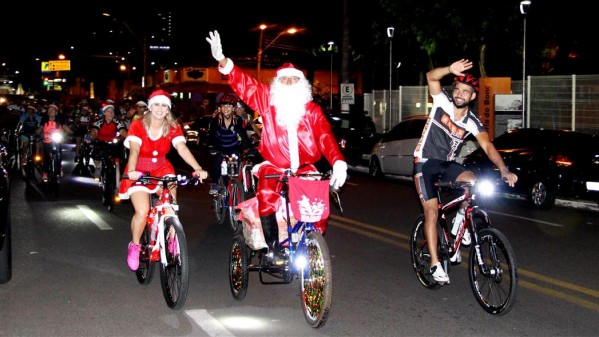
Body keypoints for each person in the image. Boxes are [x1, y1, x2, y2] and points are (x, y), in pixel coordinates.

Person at [206, 30, 348, 263]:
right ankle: (273, 248)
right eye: (285, 80)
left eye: (294, 80)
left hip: (304, 168)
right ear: (277, 84)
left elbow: (324, 136)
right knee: (265, 195)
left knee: (317, 202)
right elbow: (246, 85)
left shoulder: (311, 110)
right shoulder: (267, 100)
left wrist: (338, 161)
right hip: (274, 167)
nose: (290, 83)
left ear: (302, 84)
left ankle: (313, 243)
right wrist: (223, 61)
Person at [413, 59, 518, 284]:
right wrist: (449, 69)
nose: (460, 93)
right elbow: (431, 77)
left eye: (466, 91)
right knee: (431, 212)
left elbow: (488, 146)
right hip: (424, 163)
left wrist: (504, 170)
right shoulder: (442, 102)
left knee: (473, 182)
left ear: (472, 97)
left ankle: (461, 216)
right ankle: (434, 263)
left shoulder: (472, 121)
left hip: (446, 164)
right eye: (458, 89)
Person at [117, 89, 208, 271]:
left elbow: (181, 148)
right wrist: (133, 170)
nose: (160, 109)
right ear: (150, 107)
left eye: (164, 105)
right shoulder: (138, 125)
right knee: (142, 212)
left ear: (168, 109)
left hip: (162, 168)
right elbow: (134, 150)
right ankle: (135, 246)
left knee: (171, 207)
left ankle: (172, 240)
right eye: (156, 104)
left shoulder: (172, 126)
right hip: (140, 170)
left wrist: (197, 168)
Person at [207, 94, 253, 194]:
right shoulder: (216, 120)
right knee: (217, 160)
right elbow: (212, 136)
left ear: (233, 108)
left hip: (233, 147)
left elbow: (243, 135)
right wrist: (212, 147)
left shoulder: (237, 120)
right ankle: (215, 183)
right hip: (219, 146)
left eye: (228, 106)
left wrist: (250, 148)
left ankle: (235, 184)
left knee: (237, 162)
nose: (225, 109)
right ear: (220, 108)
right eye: (223, 106)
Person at [89, 104, 128, 181]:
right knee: (96, 153)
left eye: (112, 112)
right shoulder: (99, 121)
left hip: (112, 142)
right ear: (104, 113)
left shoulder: (117, 121)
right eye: (109, 112)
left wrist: (129, 137)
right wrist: (91, 137)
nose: (111, 113)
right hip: (100, 142)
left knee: (118, 160)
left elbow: (122, 131)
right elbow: (94, 131)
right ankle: (98, 167)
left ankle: (117, 185)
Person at [36, 104, 73, 182]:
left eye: (53, 110)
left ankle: (59, 168)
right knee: (46, 157)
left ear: (56, 112)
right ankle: (45, 172)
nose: (51, 111)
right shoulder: (44, 119)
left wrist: (72, 133)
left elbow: (65, 127)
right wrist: (36, 133)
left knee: (59, 155)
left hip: (57, 140)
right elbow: (40, 128)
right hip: (46, 141)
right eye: (49, 110)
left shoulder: (60, 119)